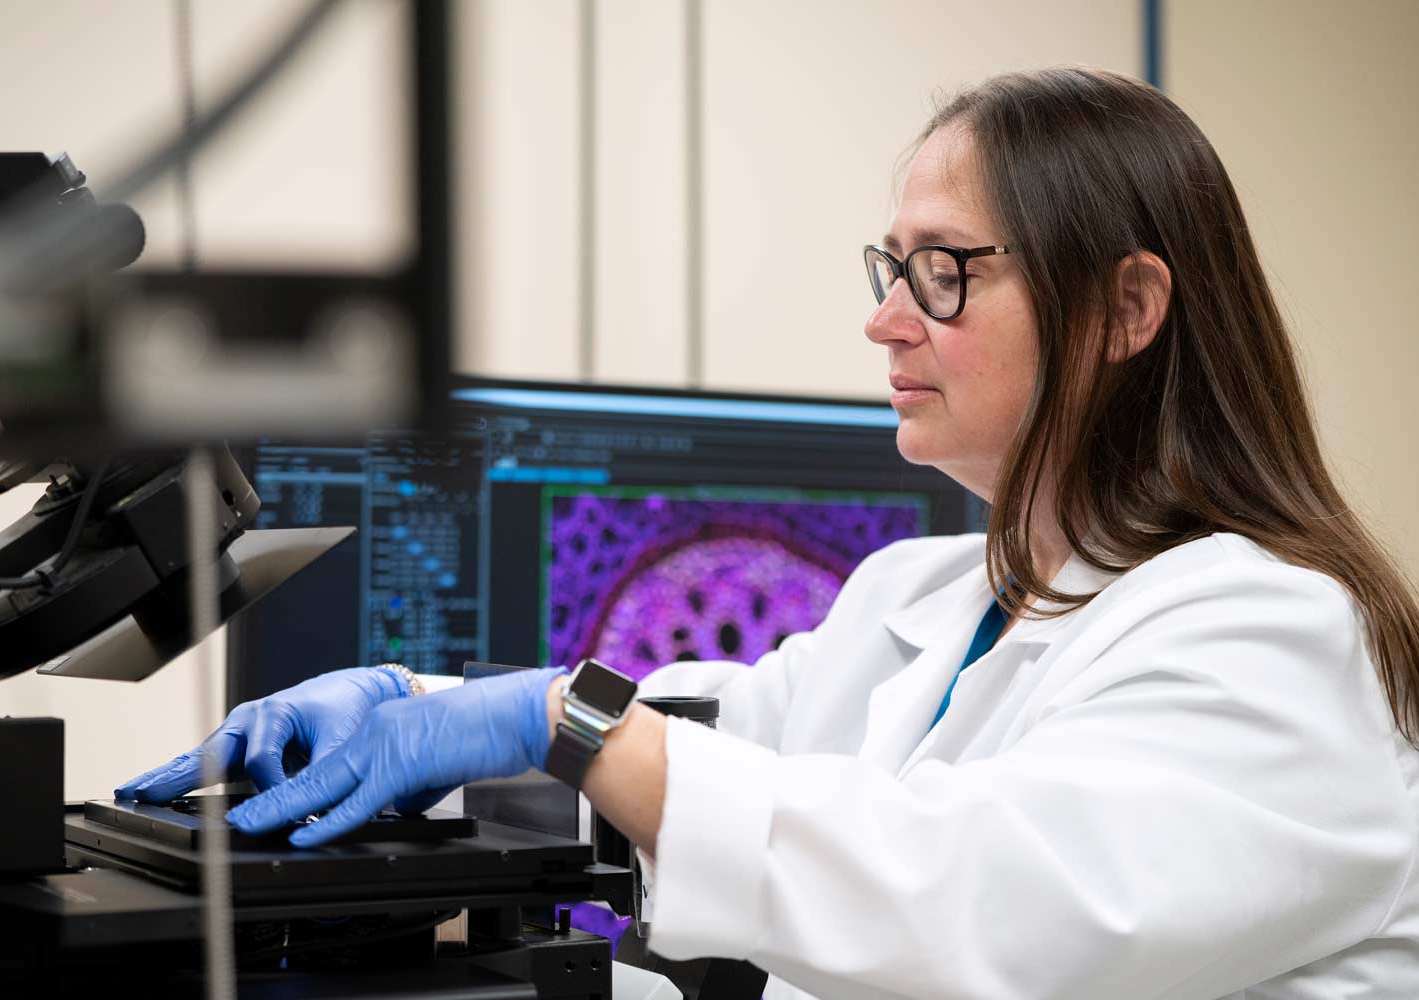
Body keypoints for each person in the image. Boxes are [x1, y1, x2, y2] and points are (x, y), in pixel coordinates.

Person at [118, 67, 1419, 999]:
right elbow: (736, 732)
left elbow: (967, 903)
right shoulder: (934, 592)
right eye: (889, 267)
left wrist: (555, 718)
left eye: (946, 271)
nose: (887, 319)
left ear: (1126, 307)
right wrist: (421, 714)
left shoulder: (1280, 635)